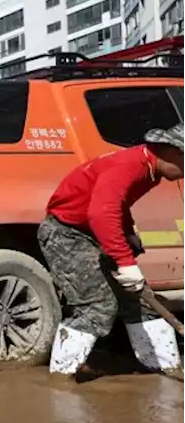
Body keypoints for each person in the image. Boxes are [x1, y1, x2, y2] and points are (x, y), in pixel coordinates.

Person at [40, 123, 185, 379]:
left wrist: (127, 233)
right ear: (174, 152)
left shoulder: (150, 168)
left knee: (141, 300)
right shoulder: (130, 166)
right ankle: (61, 380)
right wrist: (125, 262)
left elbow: (117, 203)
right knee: (98, 305)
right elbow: (100, 212)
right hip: (67, 234)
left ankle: (167, 370)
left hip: (94, 231)